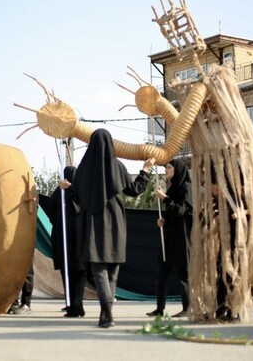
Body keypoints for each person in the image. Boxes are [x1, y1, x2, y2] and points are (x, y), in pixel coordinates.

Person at [71, 128, 155, 328]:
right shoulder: (117, 166)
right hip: (115, 224)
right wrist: (145, 170)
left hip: (93, 224)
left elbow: (76, 197)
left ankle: (106, 314)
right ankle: (106, 313)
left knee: (99, 270)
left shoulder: (83, 168)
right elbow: (134, 190)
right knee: (113, 271)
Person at [146, 158, 193, 318]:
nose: (166, 170)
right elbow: (171, 213)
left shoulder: (186, 189)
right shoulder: (173, 189)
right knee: (162, 274)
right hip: (169, 237)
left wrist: (165, 198)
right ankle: (160, 308)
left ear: (178, 170)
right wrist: (163, 220)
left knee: (183, 275)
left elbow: (180, 211)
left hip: (182, 238)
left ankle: (188, 308)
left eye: (169, 168)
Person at [51, 165, 86, 317]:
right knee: (73, 272)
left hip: (67, 239)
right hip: (75, 239)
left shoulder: (68, 192)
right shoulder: (64, 192)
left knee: (73, 272)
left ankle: (75, 305)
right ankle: (72, 304)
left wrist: (65, 189)